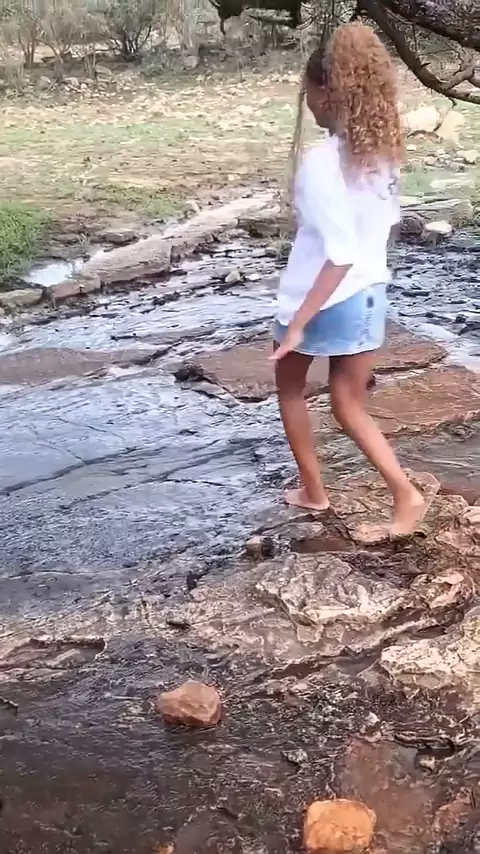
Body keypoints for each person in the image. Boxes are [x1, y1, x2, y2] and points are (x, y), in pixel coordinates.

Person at [271, 22, 426, 539]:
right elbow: (380, 229)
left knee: (291, 391)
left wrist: (299, 323)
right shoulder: (380, 154)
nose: (309, 105)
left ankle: (316, 492)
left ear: (325, 92)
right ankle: (403, 494)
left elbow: (337, 255)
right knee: (348, 404)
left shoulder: (321, 163)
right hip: (368, 295)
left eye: (308, 93)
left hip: (319, 297)